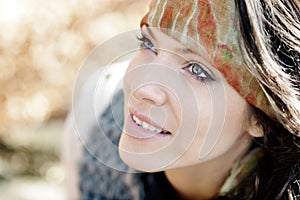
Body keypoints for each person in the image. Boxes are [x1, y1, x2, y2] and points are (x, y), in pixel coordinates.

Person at [65, 0, 300, 199]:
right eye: (148, 44)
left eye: (197, 70)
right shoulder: (94, 123)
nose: (144, 88)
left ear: (261, 118)